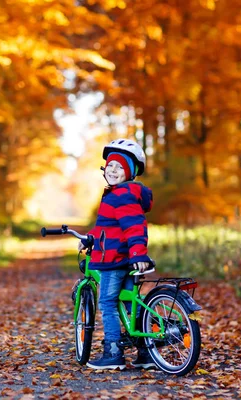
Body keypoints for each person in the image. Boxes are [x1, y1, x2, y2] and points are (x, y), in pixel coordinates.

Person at [78, 138, 155, 370]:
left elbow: (134, 225)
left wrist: (139, 254)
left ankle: (113, 352)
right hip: (122, 256)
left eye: (119, 167)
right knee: (132, 304)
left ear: (130, 172)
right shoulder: (120, 193)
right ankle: (146, 353)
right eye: (110, 166)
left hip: (115, 260)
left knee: (108, 302)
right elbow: (108, 228)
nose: (113, 170)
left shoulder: (121, 194)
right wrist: (90, 237)